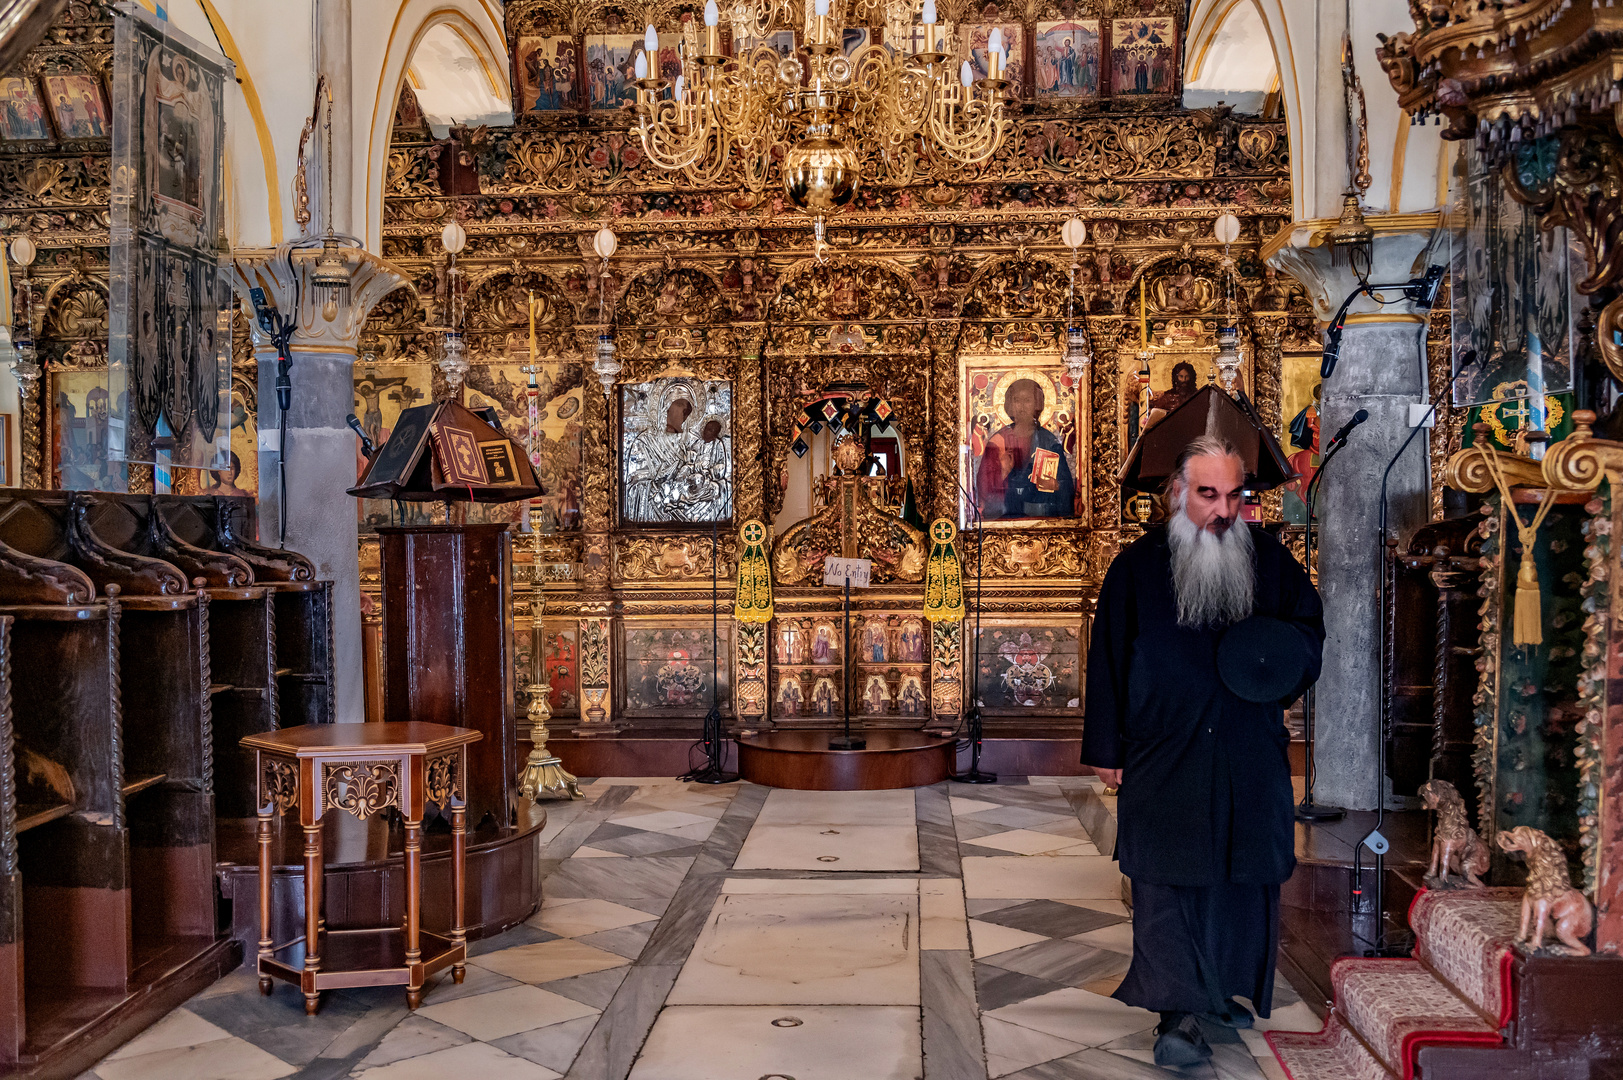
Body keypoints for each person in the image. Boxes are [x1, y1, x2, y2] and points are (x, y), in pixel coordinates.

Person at [1082, 435, 1323, 1068]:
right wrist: (1106, 748)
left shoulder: (1268, 560)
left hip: (1247, 749)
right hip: (1165, 750)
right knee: (1169, 874)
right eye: (1207, 494)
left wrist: (1275, 664)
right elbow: (1106, 662)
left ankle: (1219, 991)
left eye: (1234, 495)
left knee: (1241, 873)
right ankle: (1177, 1014)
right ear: (1177, 494)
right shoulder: (1136, 568)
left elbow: (1306, 631)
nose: (1222, 509)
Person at [975, 378, 1076, 520]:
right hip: (1005, 518)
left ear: (1037, 404)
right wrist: (1003, 471)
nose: (1022, 406)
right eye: (1017, 400)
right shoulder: (998, 441)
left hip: (1043, 519)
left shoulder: (1049, 441)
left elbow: (1067, 487)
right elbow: (983, 491)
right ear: (1010, 404)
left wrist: (1056, 485)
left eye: (1027, 400)